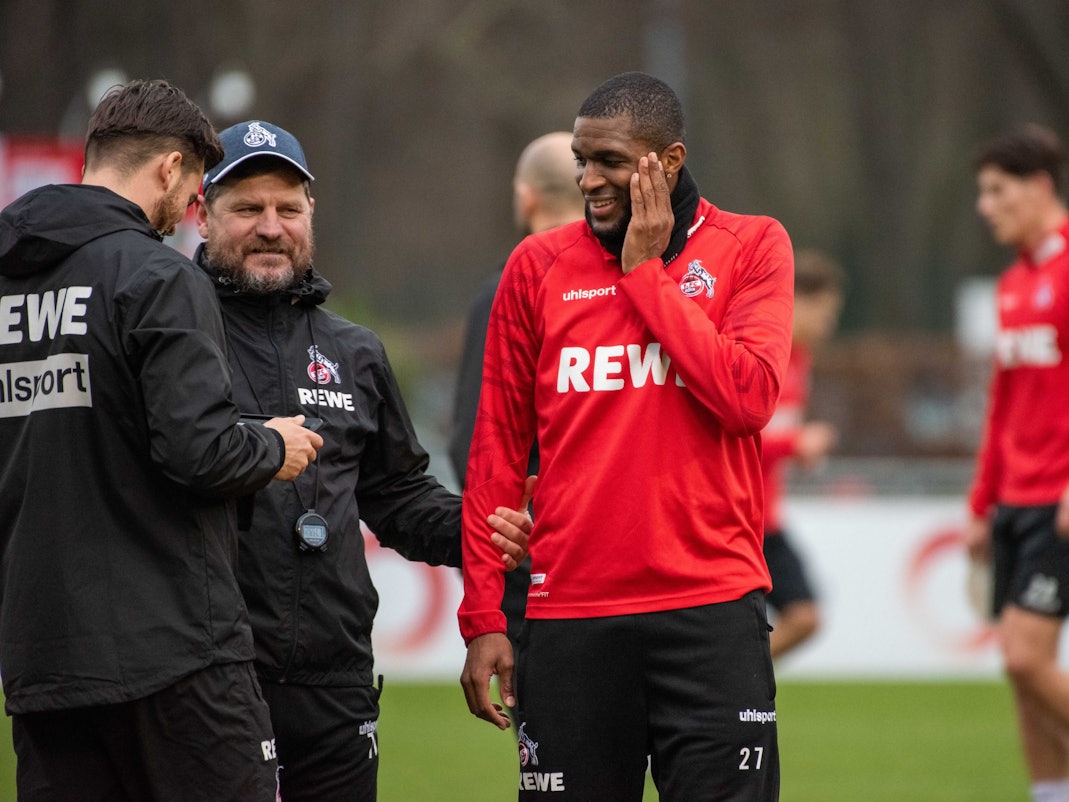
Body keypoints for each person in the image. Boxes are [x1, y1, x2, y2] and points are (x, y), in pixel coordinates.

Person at [459, 72, 792, 801]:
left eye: (608, 160)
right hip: (569, 618)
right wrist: (483, 614)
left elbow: (747, 397)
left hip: (711, 614)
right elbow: (494, 450)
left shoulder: (752, 246)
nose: (587, 178)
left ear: (668, 161)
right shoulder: (534, 266)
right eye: (580, 159)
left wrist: (646, 277)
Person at [0, 80, 323, 801]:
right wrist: (271, 446)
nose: (186, 213)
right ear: (171, 169)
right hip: (173, 651)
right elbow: (198, 451)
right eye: (193, 188)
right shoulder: (154, 274)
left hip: (41, 653)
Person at [194, 119, 533, 802]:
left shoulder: (353, 350)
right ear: (202, 215)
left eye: (288, 209)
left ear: (310, 214)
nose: (270, 227)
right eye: (247, 209)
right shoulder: (172, 334)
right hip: (211, 679)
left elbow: (398, 496)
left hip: (335, 683)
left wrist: (484, 530)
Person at [449, 130, 586, 652]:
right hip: (613, 565)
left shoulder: (510, 287)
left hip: (529, 562)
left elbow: (474, 440)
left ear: (526, 197)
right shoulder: (631, 284)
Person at [965, 123, 1069, 802]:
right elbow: (1002, 404)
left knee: (1024, 658)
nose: (984, 205)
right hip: (1014, 501)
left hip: (1057, 499)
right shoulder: (1011, 284)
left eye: (996, 190)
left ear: (1037, 187)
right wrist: (979, 506)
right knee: (1020, 673)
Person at [761, 248, 844, 659]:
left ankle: (734, 684)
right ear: (798, 302)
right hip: (736, 518)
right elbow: (736, 434)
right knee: (801, 617)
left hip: (766, 518)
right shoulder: (761, 352)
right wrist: (797, 442)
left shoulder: (802, 358)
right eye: (825, 311)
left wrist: (797, 449)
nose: (829, 324)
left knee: (805, 618)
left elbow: (774, 434)